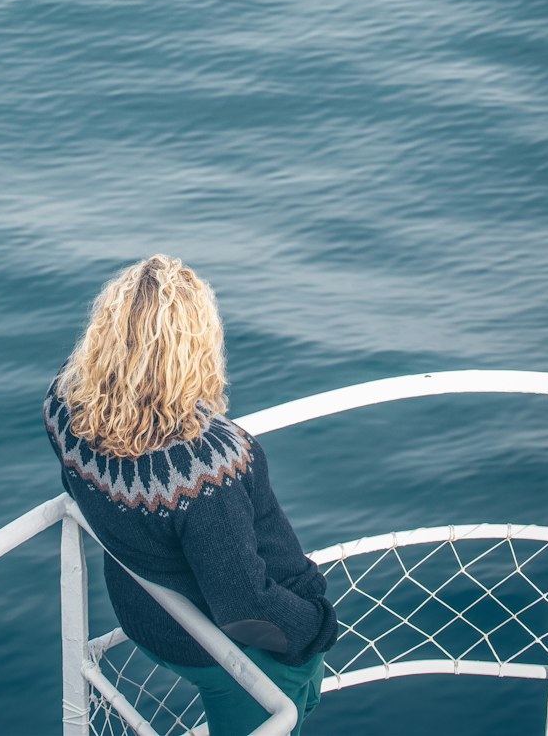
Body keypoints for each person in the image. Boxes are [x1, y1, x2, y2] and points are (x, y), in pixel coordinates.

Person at [43, 254, 337, 736]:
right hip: (233, 653)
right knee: (285, 713)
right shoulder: (206, 469)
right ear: (196, 347)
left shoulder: (62, 407)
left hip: (147, 617)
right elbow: (246, 608)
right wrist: (317, 628)